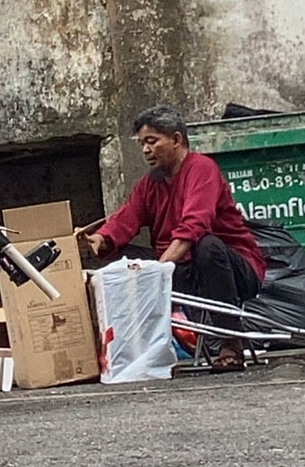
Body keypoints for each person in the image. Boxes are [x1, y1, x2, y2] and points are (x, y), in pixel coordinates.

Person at [85, 105, 266, 371]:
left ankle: (232, 342)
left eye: (152, 141)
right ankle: (133, 354)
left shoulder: (202, 169)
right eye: (142, 144)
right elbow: (127, 217)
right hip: (183, 270)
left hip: (233, 268)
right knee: (127, 262)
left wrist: (160, 269)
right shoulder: (150, 184)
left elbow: (194, 226)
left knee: (207, 245)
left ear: (177, 140)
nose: (145, 150)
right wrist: (100, 239)